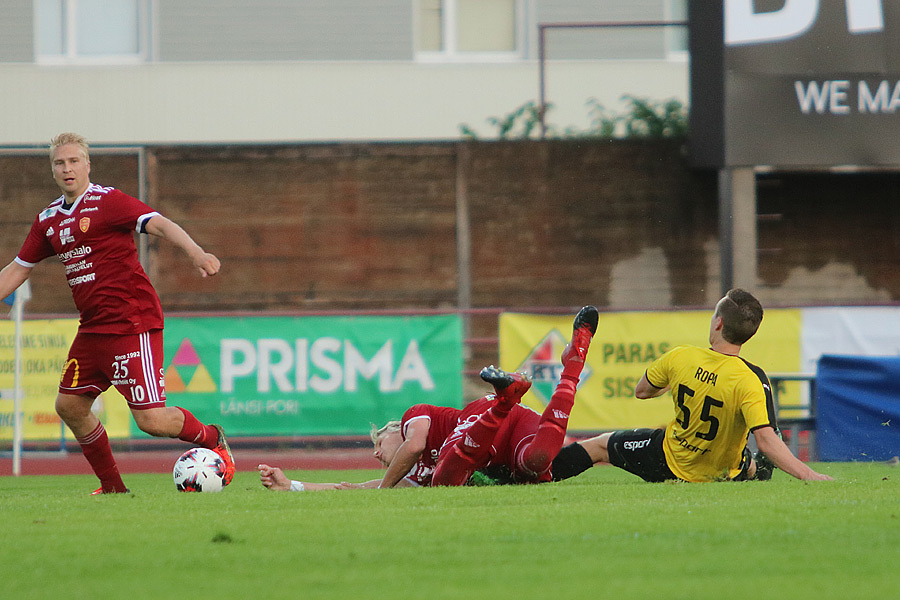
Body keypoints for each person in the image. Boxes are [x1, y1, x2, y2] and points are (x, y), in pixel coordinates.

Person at [0, 132, 234, 494]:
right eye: (60, 163)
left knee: (152, 420)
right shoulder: (48, 220)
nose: (68, 169)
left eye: (74, 161)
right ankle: (113, 488)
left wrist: (196, 252)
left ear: (87, 165)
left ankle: (213, 438)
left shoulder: (107, 201)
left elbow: (158, 223)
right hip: (92, 329)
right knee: (70, 406)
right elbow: (18, 268)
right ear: (52, 170)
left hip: (131, 322)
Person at [258, 306, 600, 491]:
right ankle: (574, 363)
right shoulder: (409, 477)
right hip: (507, 445)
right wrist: (292, 486)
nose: (376, 451)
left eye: (379, 440)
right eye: (375, 451)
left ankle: (502, 401)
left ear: (395, 427)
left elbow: (414, 446)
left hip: (481, 418)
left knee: (443, 481)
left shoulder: (414, 417)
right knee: (538, 461)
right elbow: (348, 487)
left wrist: (386, 488)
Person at [551, 288, 833, 483]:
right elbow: (769, 440)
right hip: (721, 470)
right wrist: (810, 475)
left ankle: (537, 474)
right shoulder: (752, 378)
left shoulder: (682, 357)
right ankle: (755, 469)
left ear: (719, 323)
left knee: (599, 446)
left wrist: (673, 384)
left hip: (668, 461)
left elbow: (642, 391)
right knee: (750, 464)